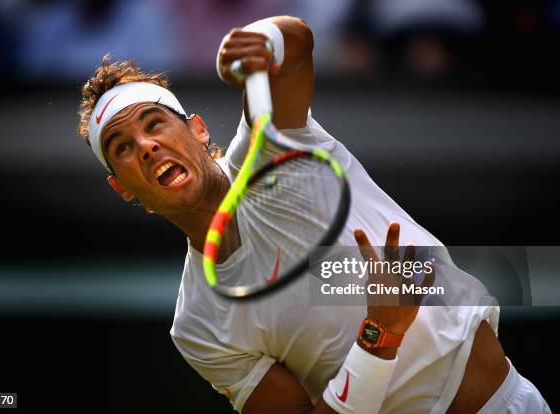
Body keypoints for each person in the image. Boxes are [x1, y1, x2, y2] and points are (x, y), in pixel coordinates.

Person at [76, 16, 550, 414]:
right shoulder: (197, 327)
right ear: (121, 187)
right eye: (122, 147)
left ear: (197, 130)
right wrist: (378, 336)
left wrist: (262, 39)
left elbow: (297, 43)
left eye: (154, 123)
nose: (146, 145)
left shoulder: (273, 148)